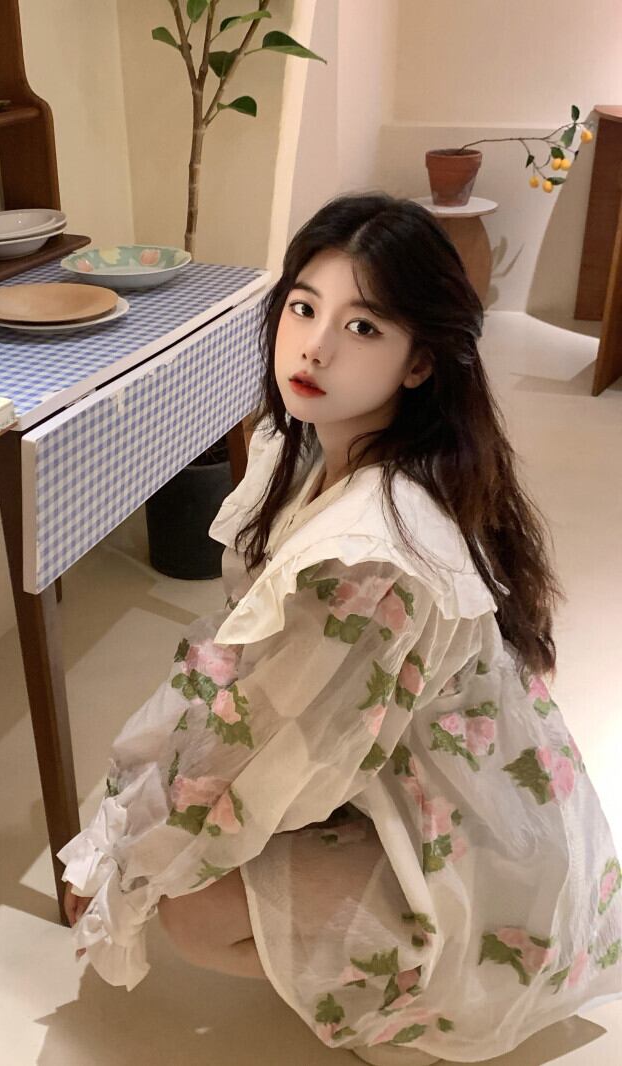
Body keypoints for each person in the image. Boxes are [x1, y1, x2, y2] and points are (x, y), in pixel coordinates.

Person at [58, 194, 622, 1065]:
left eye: (363, 328)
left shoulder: (370, 547)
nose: (314, 347)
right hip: (437, 790)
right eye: (303, 308)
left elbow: (276, 755)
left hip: (463, 846)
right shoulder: (326, 449)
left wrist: (128, 866)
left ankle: (409, 1003)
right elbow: (245, 682)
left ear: (419, 363)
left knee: (191, 909)